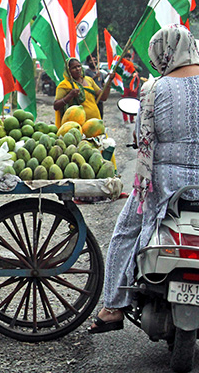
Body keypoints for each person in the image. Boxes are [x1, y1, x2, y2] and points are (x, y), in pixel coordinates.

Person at [89, 24, 199, 333]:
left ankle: (112, 307)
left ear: (162, 55)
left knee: (125, 233)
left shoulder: (155, 89)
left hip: (164, 185)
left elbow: (143, 138)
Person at [53, 57, 112, 127]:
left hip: (95, 123)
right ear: (68, 71)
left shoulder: (89, 80)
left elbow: (103, 97)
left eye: (79, 66)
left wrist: (109, 82)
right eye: (74, 68)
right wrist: (70, 96)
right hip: (77, 125)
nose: (78, 69)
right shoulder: (64, 85)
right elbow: (56, 106)